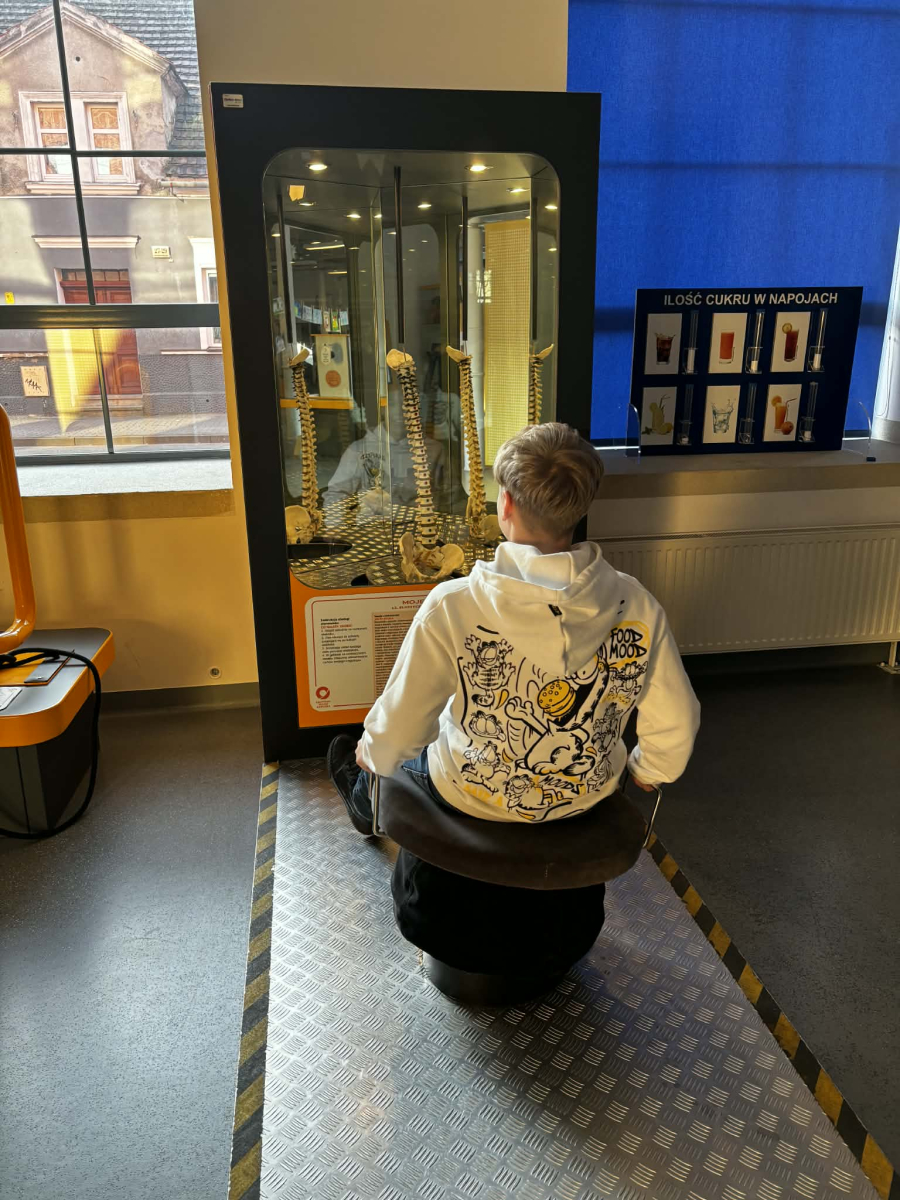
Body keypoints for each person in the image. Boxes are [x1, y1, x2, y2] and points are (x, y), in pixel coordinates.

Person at [327, 422, 700, 973]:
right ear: (579, 508)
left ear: (504, 505)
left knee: (386, 752)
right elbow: (677, 723)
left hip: (468, 797)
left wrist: (374, 752)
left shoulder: (454, 605)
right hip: (581, 803)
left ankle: (361, 800)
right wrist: (650, 769)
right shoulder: (637, 605)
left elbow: (400, 730)